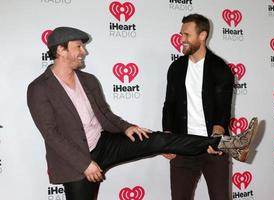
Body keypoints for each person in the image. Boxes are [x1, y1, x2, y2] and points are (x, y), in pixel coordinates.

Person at [27, 26, 257, 200]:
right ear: (61, 50)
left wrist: (126, 128)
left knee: (157, 139)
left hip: (104, 143)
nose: (83, 51)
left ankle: (227, 144)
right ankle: (226, 144)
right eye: (78, 47)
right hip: (75, 161)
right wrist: (85, 164)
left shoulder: (88, 80)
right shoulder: (39, 88)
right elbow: (52, 135)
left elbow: (105, 115)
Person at [162, 14, 237, 200]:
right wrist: (167, 137)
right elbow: (169, 105)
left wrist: (217, 137)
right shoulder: (176, 68)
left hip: (212, 148)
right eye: (181, 34)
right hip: (182, 146)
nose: (182, 39)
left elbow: (223, 109)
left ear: (202, 36)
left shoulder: (220, 68)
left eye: (187, 35)